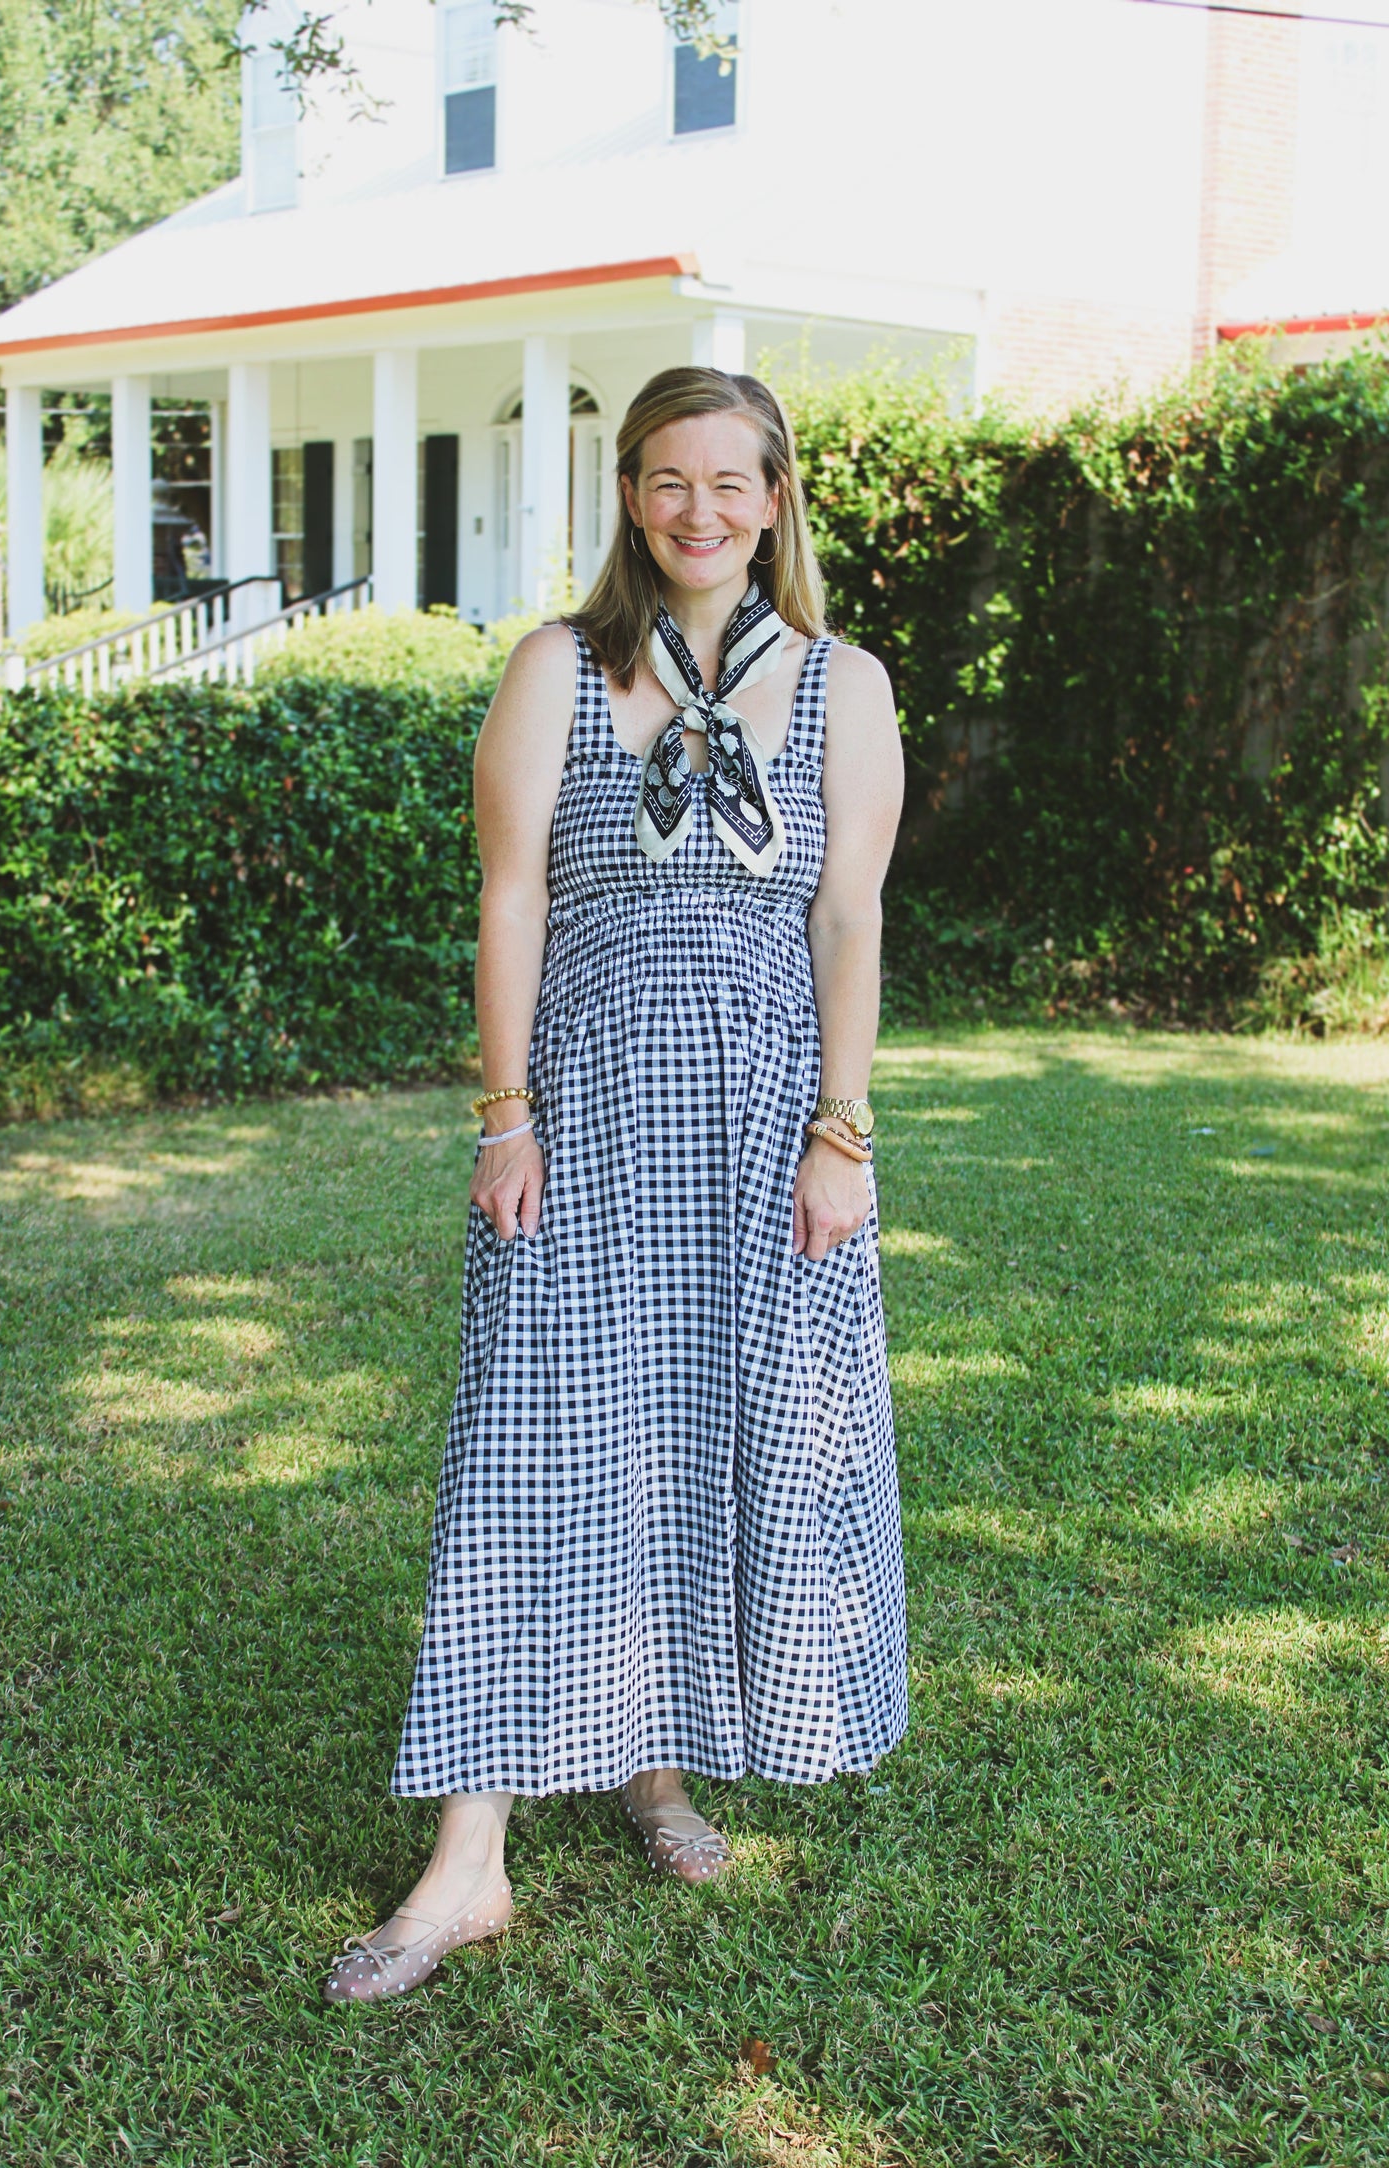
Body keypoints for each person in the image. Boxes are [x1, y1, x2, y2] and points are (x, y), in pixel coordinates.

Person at [324, 366, 908, 2004]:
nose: (699, 511)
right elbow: (510, 902)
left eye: (732, 482)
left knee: (729, 1429)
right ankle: (469, 1862)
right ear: (630, 496)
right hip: (581, 1112)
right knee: (534, 1447)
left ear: (776, 498)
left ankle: (657, 1756)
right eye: (668, 481)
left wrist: (841, 1133)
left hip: (764, 1119)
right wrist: (503, 1115)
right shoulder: (556, 669)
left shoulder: (843, 683)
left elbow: (846, 918)